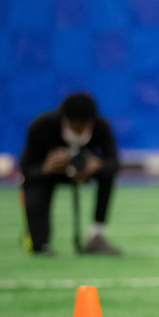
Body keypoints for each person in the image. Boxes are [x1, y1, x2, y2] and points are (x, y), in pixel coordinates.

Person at [19, 92, 123, 255]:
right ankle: (39, 239)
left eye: (84, 126)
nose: (80, 131)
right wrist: (45, 167)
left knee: (107, 174)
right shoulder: (41, 126)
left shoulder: (101, 126)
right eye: (75, 126)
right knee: (35, 183)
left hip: (86, 172)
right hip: (52, 174)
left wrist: (97, 164)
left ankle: (96, 235)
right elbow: (26, 169)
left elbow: (114, 163)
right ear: (64, 120)